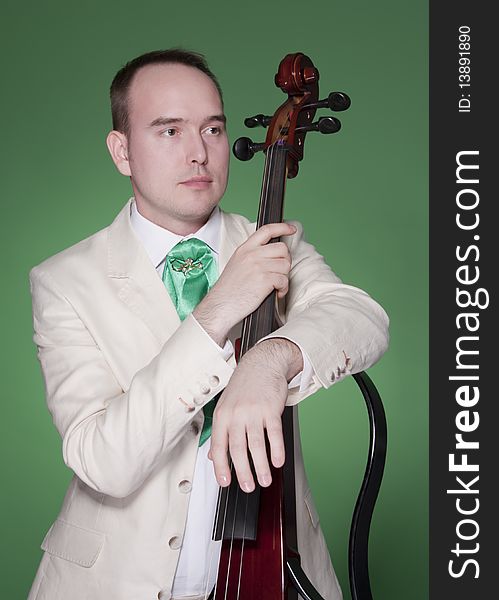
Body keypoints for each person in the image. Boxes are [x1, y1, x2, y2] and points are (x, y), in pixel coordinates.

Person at [27, 49, 389, 600]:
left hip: (277, 571)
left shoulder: (271, 241)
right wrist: (220, 307)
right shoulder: (63, 281)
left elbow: (361, 318)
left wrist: (270, 361)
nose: (198, 153)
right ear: (121, 150)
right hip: (110, 582)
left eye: (212, 129)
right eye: (169, 131)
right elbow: (103, 460)